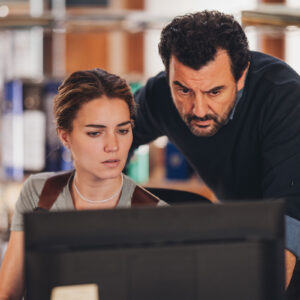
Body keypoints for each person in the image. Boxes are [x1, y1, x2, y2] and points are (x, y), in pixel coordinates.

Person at [132, 10, 300, 290]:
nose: (198, 109)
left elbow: (290, 219)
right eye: (184, 90)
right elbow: (115, 135)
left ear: (242, 76)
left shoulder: (284, 99)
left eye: (214, 92)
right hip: (240, 234)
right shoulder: (160, 93)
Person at [0, 68, 165, 300]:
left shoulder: (158, 216)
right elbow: (7, 294)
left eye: (123, 130)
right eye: (95, 133)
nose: (113, 145)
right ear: (65, 137)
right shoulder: (40, 194)